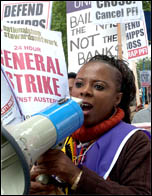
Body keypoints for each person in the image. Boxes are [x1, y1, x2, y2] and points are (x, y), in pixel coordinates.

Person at [30, 55, 151, 195]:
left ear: (117, 99)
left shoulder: (136, 142)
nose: (85, 91)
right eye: (79, 84)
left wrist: (77, 177)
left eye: (98, 86)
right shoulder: (58, 136)